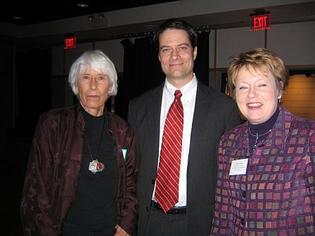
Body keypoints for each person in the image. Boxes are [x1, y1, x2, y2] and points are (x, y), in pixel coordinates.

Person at [127, 18, 240, 236]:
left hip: (201, 223)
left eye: (182, 48)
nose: (174, 56)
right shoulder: (138, 107)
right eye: (166, 49)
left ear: (195, 52)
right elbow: (130, 169)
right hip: (148, 221)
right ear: (159, 56)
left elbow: (232, 176)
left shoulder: (224, 108)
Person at [20, 50, 137, 236]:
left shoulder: (123, 131)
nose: (92, 85)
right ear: (76, 84)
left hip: (111, 231)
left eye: (100, 78)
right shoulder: (53, 125)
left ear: (111, 86)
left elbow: (130, 183)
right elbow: (36, 191)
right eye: (85, 77)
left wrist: (126, 224)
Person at [210, 48, 315, 235]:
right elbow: (223, 211)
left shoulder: (308, 137)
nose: (251, 95)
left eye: (262, 85)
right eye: (243, 87)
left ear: (279, 89)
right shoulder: (228, 141)